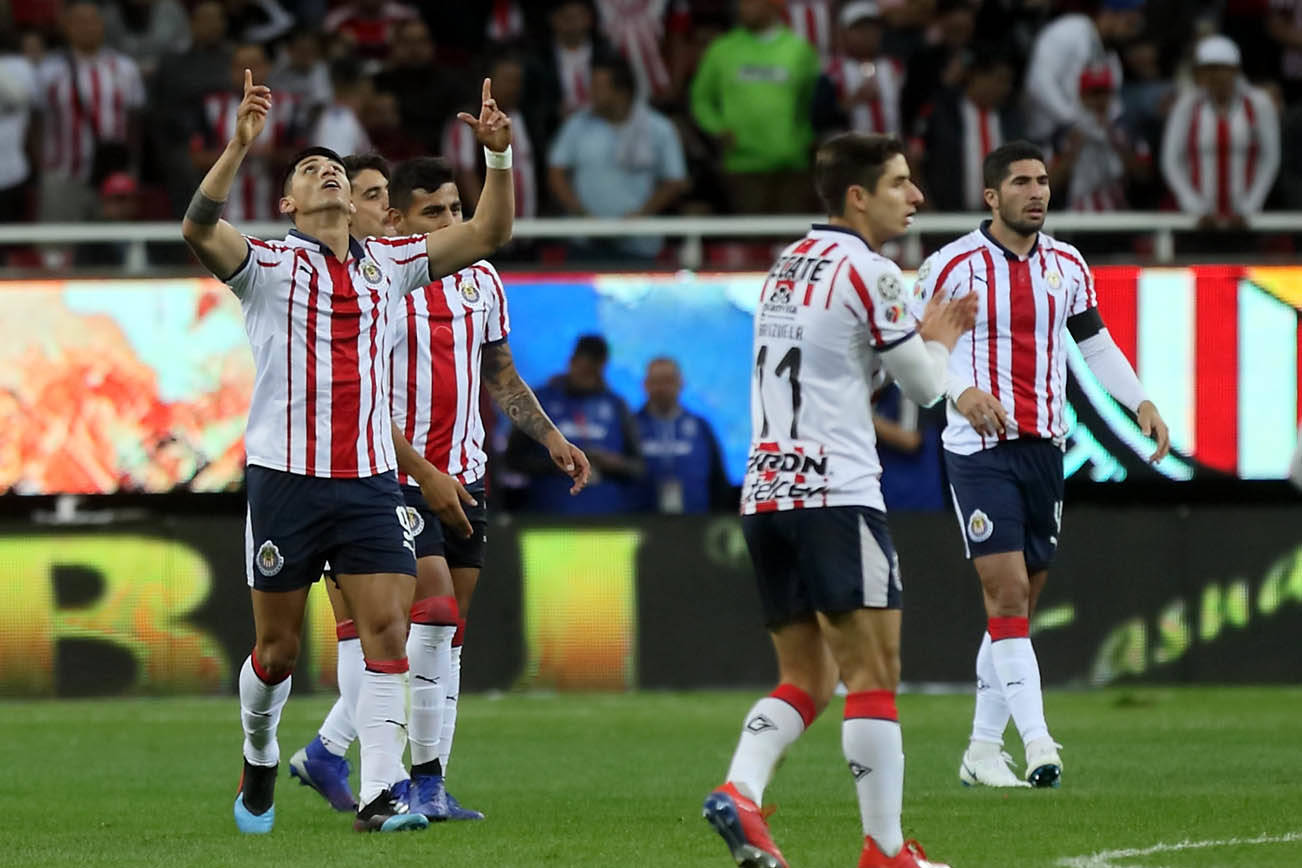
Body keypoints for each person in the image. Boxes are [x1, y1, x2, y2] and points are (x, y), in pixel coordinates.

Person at [180, 71, 515, 833]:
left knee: (390, 629)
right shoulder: (266, 269)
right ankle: (260, 749)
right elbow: (200, 228)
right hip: (285, 483)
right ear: (290, 204)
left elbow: (487, 235)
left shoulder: (388, 266)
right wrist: (238, 146)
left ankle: (382, 793)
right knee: (277, 652)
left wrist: (497, 157)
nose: (327, 171)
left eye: (335, 167)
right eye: (309, 170)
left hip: (368, 482)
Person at [702, 132, 974, 868]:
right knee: (872, 673)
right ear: (858, 197)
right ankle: (885, 850)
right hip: (838, 493)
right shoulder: (873, 271)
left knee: (806, 676)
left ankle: (743, 792)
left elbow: (843, 373)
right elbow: (923, 388)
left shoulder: (788, 265)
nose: (915, 196)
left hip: (767, 492)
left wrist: (911, 347)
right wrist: (939, 338)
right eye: (899, 183)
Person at [291, 154, 590, 822]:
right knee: (430, 618)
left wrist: (550, 438)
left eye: (456, 209)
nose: (451, 222)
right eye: (435, 213)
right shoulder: (379, 280)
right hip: (392, 477)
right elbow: (361, 393)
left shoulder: (481, 280)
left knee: (444, 638)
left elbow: (501, 375)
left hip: (468, 472)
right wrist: (424, 473)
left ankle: (394, 771)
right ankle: (402, 779)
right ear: (397, 221)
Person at [911, 140, 1170, 790]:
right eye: (1022, 182)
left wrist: (1138, 400)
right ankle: (1039, 743)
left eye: (1044, 181)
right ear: (992, 196)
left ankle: (979, 751)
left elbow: (1095, 342)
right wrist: (961, 393)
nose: (1037, 192)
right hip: (977, 451)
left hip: (1044, 447)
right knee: (1006, 592)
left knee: (1018, 606)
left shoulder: (1068, 264)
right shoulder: (951, 265)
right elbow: (918, 352)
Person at [547, 51, 688, 260]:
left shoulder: (659, 128)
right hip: (585, 244)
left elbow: (675, 180)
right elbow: (556, 173)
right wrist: (581, 214)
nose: (590, 93)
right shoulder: (576, 126)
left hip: (639, 246)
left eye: (598, 87)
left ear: (622, 92)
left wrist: (640, 215)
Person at [689, 0, 821, 213]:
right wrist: (717, 128)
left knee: (792, 240)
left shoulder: (799, 50)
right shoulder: (722, 49)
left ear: (773, 6)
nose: (744, 8)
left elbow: (813, 101)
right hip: (742, 165)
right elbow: (700, 98)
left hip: (793, 165)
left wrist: (805, 137)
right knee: (750, 239)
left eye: (752, 3)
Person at [506, 334, 644, 515]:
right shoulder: (541, 401)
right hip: (548, 514)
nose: (588, 375)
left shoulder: (617, 405)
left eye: (595, 370)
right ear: (572, 361)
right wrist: (558, 464)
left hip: (607, 517)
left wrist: (614, 464)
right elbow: (512, 459)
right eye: (585, 368)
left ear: (603, 367)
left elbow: (638, 467)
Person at [36, 3, 145, 224]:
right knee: (58, 249)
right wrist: (42, 164)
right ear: (67, 28)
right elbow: (36, 121)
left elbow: (136, 122)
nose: (87, 28)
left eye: (92, 21)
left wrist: (131, 166)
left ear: (102, 25)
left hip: (112, 173)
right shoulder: (50, 70)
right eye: (79, 23)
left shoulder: (125, 68)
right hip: (62, 174)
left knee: (114, 246)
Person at [1160, 35, 1280, 234]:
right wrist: (1193, 205)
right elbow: (1171, 160)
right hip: (1198, 219)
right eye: (1208, 69)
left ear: (1235, 70)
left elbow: (1269, 159)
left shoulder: (1259, 104)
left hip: (1246, 219)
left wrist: (1251, 206)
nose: (1215, 76)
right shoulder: (1187, 105)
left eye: (1220, 68)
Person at [193, 43, 304, 223]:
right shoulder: (211, 106)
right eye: (241, 67)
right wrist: (237, 152)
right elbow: (196, 158)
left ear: (268, 67)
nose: (249, 72)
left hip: (276, 218)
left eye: (255, 64)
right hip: (226, 217)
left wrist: (270, 155)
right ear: (231, 71)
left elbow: (302, 157)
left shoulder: (288, 106)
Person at [1021, 0, 1143, 145]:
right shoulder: (1071, 30)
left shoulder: (1111, 56)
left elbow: (1113, 104)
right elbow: (1038, 83)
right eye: (1129, 23)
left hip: (1082, 141)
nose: (1131, 32)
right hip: (1047, 138)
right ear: (1109, 15)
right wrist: (1072, 119)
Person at [634, 356, 732, 514]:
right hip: (639, 522)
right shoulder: (630, 426)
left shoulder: (701, 427)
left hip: (696, 522)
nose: (662, 388)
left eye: (668, 381)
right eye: (656, 381)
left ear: (681, 383)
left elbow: (718, 479)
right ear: (645, 385)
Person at [812, 2, 903, 139]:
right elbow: (820, 118)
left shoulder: (895, 67)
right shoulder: (832, 71)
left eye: (873, 28)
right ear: (844, 33)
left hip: (892, 151)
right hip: (850, 154)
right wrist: (853, 101)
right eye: (860, 29)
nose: (868, 34)